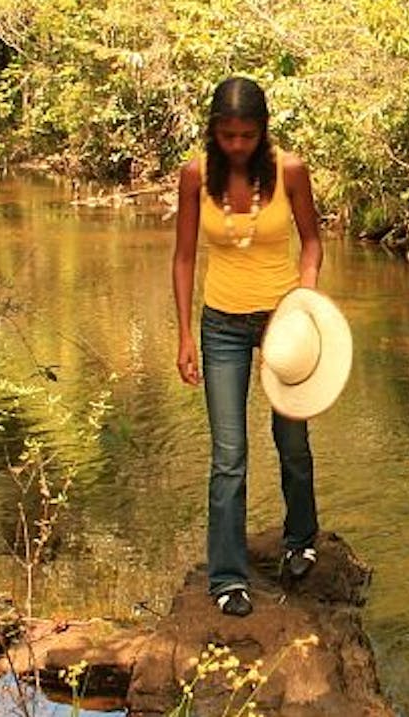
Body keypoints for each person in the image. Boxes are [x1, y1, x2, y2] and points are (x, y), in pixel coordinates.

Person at [172, 75, 326, 618]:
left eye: (248, 135)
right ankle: (228, 577)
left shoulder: (289, 170)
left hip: (284, 322)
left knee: (292, 439)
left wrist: (307, 303)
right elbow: (184, 257)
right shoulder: (196, 175)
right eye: (228, 135)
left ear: (263, 130)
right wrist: (186, 334)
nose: (238, 145)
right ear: (213, 129)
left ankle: (302, 539)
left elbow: (311, 243)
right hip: (221, 326)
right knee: (229, 455)